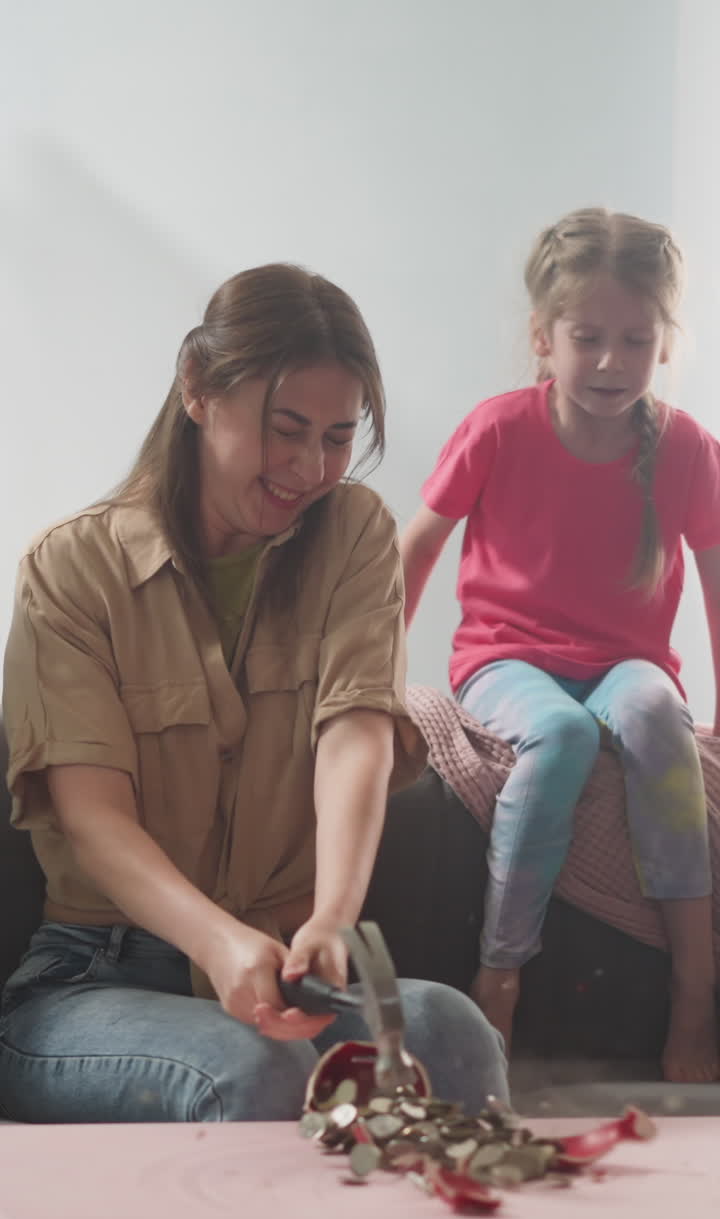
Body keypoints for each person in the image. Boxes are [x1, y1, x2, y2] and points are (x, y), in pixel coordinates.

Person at [0, 264, 508, 1122]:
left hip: (286, 963)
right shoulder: (71, 569)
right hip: (95, 975)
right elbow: (94, 817)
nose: (311, 467)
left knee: (456, 1034)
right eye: (287, 429)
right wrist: (216, 942)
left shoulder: (353, 536)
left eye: (339, 437)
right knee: (248, 1071)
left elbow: (356, 734)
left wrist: (332, 919)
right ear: (198, 388)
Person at [400, 208, 720, 1084]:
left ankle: (698, 988)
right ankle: (501, 971)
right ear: (544, 338)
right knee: (565, 735)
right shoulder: (500, 428)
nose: (612, 361)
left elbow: (718, 576)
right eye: (589, 337)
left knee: (659, 717)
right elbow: (416, 546)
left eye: (635, 339)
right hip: (506, 659)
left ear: (664, 343)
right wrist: (372, 673)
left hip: (627, 665)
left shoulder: (689, 448)